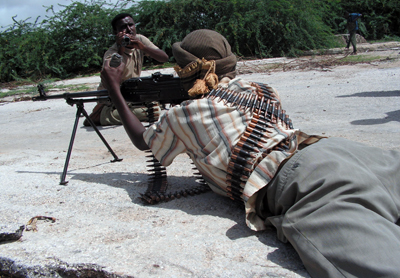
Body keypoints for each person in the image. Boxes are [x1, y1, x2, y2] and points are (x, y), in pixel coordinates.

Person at [100, 29, 400, 278]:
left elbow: (142, 140)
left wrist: (114, 87)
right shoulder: (261, 88)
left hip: (306, 186)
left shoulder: (186, 114)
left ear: (188, 70)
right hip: (341, 151)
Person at [84, 13, 169, 126]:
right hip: (113, 97)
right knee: (153, 112)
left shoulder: (140, 40)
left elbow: (164, 58)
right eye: (123, 27)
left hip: (132, 92)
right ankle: (101, 116)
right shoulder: (112, 53)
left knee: (160, 99)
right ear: (116, 33)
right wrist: (121, 49)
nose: (129, 29)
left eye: (131, 25)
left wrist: (143, 47)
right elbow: (113, 78)